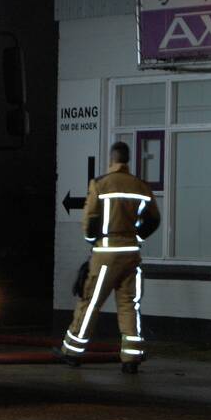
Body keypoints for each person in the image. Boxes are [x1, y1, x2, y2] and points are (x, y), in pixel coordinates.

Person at [58, 141, 160, 374]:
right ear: (128, 160)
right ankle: (131, 358)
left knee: (91, 302)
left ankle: (72, 352)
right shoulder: (141, 186)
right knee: (129, 305)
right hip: (131, 254)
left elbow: (90, 220)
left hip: (106, 254)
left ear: (112, 159)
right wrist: (136, 237)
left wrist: (94, 241)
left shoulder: (100, 184)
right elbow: (154, 220)